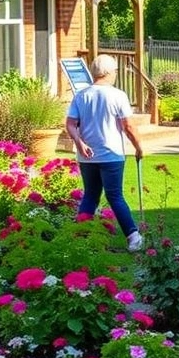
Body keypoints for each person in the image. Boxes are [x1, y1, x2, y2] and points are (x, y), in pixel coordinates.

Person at [65, 54, 145, 252]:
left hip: (87, 156)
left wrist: (79, 143)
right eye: (116, 71)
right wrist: (139, 147)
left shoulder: (81, 95)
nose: (116, 74)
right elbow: (128, 126)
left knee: (91, 195)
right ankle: (133, 236)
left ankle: (79, 237)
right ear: (109, 73)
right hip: (111, 154)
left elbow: (70, 124)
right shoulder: (118, 95)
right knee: (115, 195)